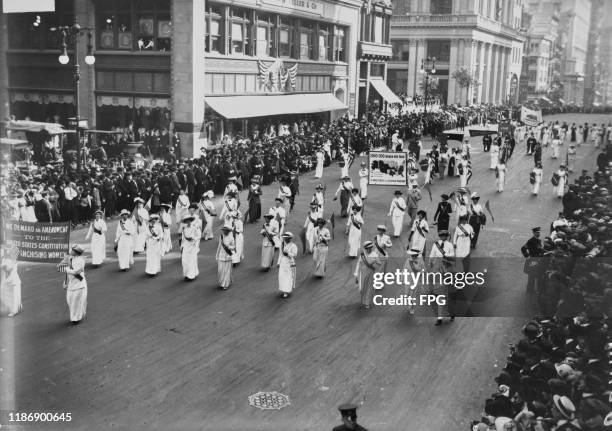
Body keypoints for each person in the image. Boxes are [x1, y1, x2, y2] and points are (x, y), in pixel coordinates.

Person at [429, 230, 455, 326]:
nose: (442, 237)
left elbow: (452, 256)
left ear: (447, 236)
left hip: (446, 267)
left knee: (446, 295)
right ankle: (439, 318)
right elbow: (432, 255)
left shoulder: (449, 245)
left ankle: (451, 313)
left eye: (444, 235)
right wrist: (431, 264)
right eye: (441, 235)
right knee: (439, 295)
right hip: (437, 267)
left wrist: (445, 256)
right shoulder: (436, 244)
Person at [62, 244, 87, 325]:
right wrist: (65, 282)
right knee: (69, 300)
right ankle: (76, 315)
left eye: (72, 250)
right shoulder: (70, 258)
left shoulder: (81, 260)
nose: (70, 251)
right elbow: (62, 267)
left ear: (76, 252)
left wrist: (67, 269)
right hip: (71, 284)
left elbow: (77, 272)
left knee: (76, 302)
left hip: (79, 284)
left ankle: (76, 318)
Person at [354, 241, 380, 310]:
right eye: (368, 248)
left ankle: (367, 302)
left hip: (371, 273)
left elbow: (379, 264)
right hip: (362, 273)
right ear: (365, 248)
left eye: (370, 247)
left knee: (369, 287)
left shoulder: (375, 254)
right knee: (362, 288)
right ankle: (363, 301)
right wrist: (356, 274)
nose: (369, 249)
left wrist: (375, 262)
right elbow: (358, 264)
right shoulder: (362, 255)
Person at [520, 227, 544, 294]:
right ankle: (529, 291)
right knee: (531, 276)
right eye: (537, 232)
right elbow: (523, 248)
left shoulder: (539, 240)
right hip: (533, 260)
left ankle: (533, 290)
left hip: (538, 260)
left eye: (539, 232)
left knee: (536, 274)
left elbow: (540, 249)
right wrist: (527, 256)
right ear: (533, 233)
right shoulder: (531, 241)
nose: (538, 233)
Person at [1, 245, 22, 317]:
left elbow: (8, 269)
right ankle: (17, 307)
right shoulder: (7, 259)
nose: (10, 251)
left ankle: (14, 310)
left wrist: (3, 266)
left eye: (12, 251)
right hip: (10, 280)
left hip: (14, 280)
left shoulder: (13, 260)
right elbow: (5, 268)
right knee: (11, 295)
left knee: (15, 295)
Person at [404, 248, 425, 314]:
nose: (412, 256)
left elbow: (424, 270)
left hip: (415, 280)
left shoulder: (420, 261)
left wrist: (420, 271)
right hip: (408, 279)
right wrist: (402, 278)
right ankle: (409, 305)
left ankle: (412, 307)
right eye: (411, 255)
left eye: (414, 255)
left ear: (416, 255)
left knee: (413, 295)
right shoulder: (408, 260)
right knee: (407, 294)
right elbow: (404, 269)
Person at [180, 215, 200, 281]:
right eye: (186, 221)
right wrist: (182, 246)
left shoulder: (194, 227)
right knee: (184, 261)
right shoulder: (184, 229)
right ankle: (186, 274)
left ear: (191, 221)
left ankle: (191, 275)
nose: (188, 222)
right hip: (186, 246)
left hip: (192, 246)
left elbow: (198, 236)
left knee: (191, 260)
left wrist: (194, 240)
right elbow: (183, 238)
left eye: (189, 220)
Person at [278, 232, 298, 298]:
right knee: (281, 276)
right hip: (283, 262)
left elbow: (295, 254)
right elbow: (280, 254)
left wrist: (288, 254)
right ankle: (283, 289)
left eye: (286, 238)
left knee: (288, 276)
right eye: (284, 238)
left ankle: (286, 291)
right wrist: (278, 263)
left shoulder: (293, 245)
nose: (285, 239)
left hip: (289, 262)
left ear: (290, 238)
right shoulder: (282, 244)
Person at [216, 226, 235, 290]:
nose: (224, 231)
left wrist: (229, 247)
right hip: (221, 256)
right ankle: (222, 283)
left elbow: (233, 247)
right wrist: (217, 255)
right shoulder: (221, 237)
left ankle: (225, 284)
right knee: (220, 270)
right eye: (223, 230)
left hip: (228, 256)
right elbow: (219, 246)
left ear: (228, 231)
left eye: (225, 230)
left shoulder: (231, 238)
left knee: (227, 271)